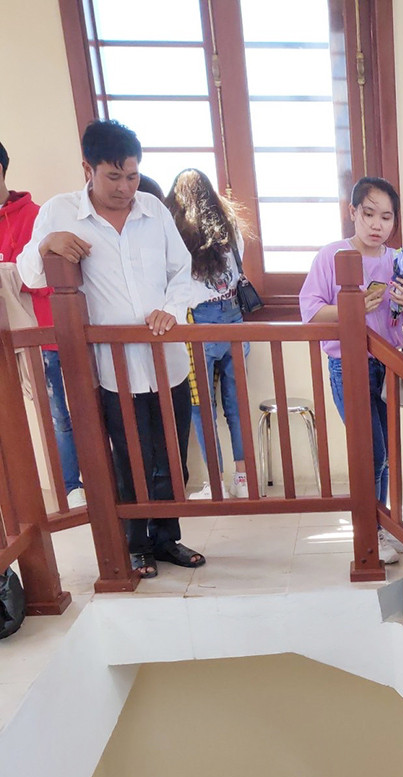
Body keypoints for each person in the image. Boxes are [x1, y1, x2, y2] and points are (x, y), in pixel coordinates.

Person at [17, 119, 205, 579]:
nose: (125, 188)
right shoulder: (61, 211)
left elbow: (183, 272)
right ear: (88, 169)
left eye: (133, 176)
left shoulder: (153, 210)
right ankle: (136, 545)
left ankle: (167, 539)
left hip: (166, 360)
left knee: (171, 458)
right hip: (112, 367)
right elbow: (28, 273)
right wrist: (46, 244)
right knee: (129, 460)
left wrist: (170, 310)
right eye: (114, 176)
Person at [300, 176, 403, 566]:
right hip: (347, 365)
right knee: (373, 452)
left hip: (388, 367)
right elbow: (310, 312)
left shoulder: (398, 260)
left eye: (386, 217)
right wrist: (351, 308)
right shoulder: (331, 255)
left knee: (385, 453)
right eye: (368, 214)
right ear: (352, 212)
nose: (376, 225)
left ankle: (383, 522)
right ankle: (371, 529)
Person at [0, 138, 84, 508]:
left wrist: (11, 273)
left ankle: (71, 487)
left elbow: (49, 280)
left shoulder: (37, 217)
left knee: (58, 416)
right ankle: (15, 497)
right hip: (4, 338)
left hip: (38, 335)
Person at [167, 169, 250, 499]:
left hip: (197, 322)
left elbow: (176, 284)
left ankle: (216, 484)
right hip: (234, 318)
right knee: (236, 404)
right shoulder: (231, 229)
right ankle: (243, 480)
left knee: (202, 407)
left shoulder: (178, 233)